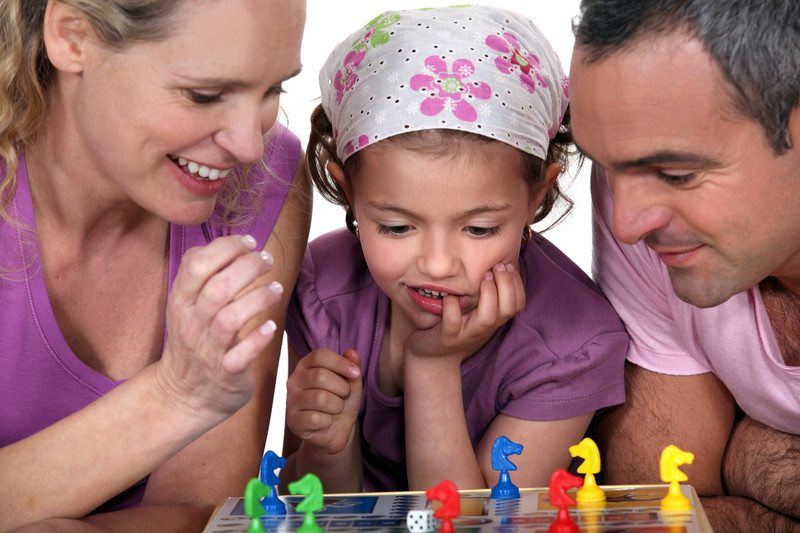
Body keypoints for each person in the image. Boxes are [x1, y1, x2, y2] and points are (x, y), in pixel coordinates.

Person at [279, 5, 628, 493]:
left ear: (537, 196)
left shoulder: (573, 344)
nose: (438, 265)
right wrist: (327, 448)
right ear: (348, 190)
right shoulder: (323, 288)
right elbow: (310, 505)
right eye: (397, 227)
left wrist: (432, 367)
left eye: (480, 229)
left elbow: (477, 523)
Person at [0, 0, 308, 530]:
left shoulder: (263, 181)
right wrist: (178, 395)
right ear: (73, 37)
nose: (249, 145)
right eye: (205, 95)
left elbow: (199, 509)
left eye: (273, 89)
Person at [569, 0, 800, 530]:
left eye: (675, 173)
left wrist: (750, 459)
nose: (626, 226)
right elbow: (664, 511)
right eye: (604, 166)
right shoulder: (640, 208)